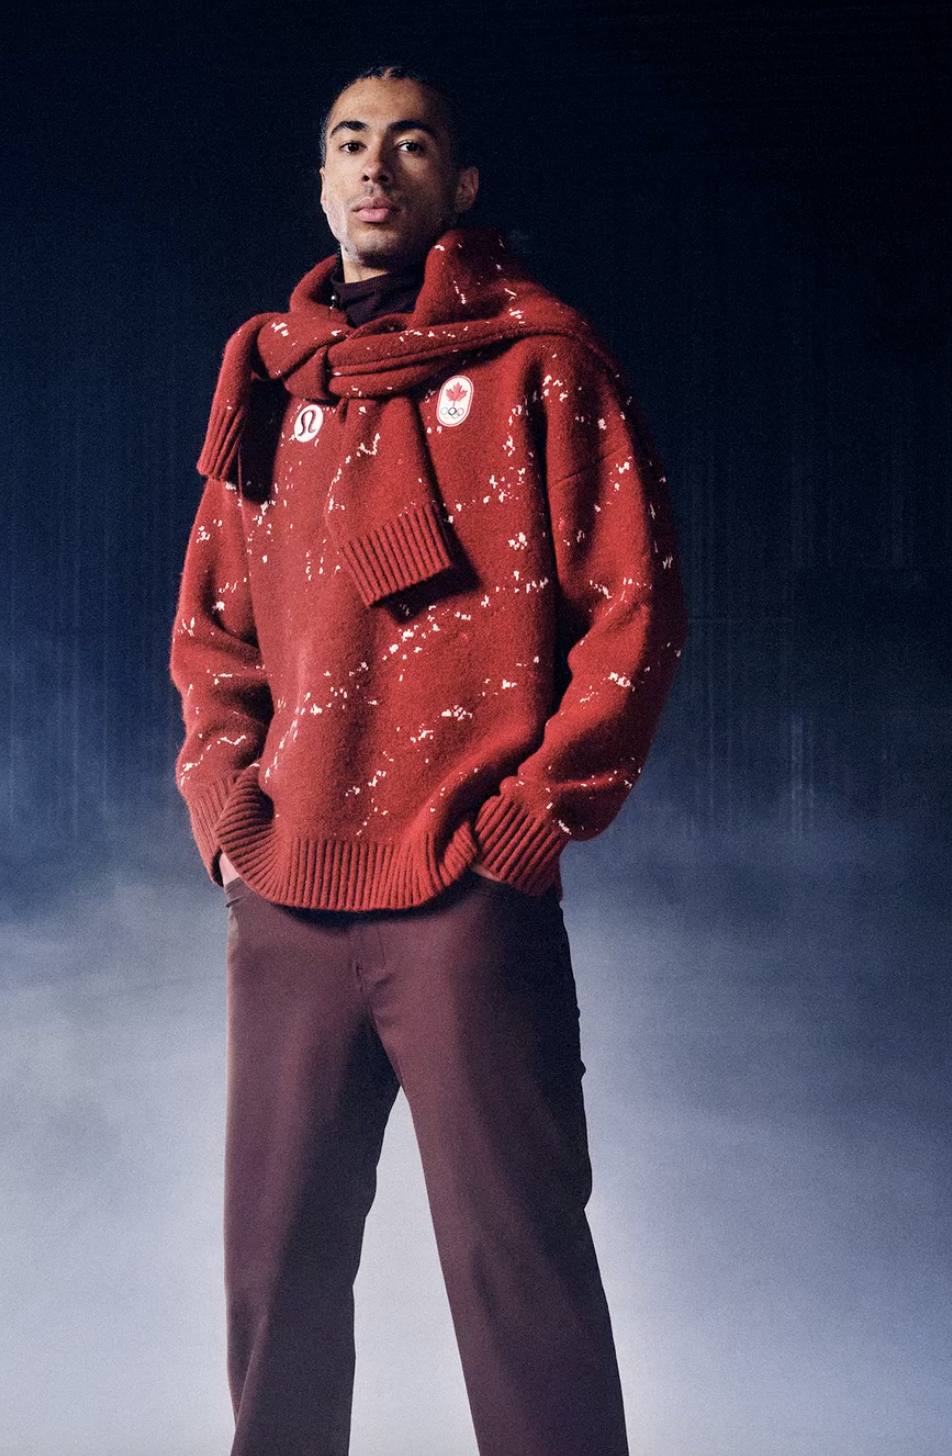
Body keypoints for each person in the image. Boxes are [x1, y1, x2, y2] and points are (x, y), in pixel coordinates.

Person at [171, 64, 686, 1456]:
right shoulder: (270, 378)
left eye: (410, 144)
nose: (374, 166)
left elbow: (634, 607)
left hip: (464, 889)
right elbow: (213, 629)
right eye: (351, 141)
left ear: (458, 184)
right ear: (320, 180)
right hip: (289, 895)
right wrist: (226, 811)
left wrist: (536, 816)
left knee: (520, 1277)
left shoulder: (543, 362)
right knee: (273, 1288)